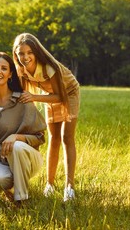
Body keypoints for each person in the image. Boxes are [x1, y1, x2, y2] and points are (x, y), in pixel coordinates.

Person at [12, 33, 80, 202]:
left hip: (68, 93)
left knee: (66, 137)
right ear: (16, 54)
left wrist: (34, 97)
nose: (25, 57)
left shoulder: (50, 67)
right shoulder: (21, 69)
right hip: (49, 95)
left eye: (29, 52)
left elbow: (59, 96)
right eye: (21, 53)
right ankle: (50, 184)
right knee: (53, 138)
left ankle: (69, 187)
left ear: (36, 52)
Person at [0, 52, 46, 207]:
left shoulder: (22, 100)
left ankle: (21, 199)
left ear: (10, 74)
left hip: (27, 158)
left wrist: (17, 137)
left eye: (4, 68)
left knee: (16, 146)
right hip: (1, 160)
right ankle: (9, 188)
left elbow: (40, 137)